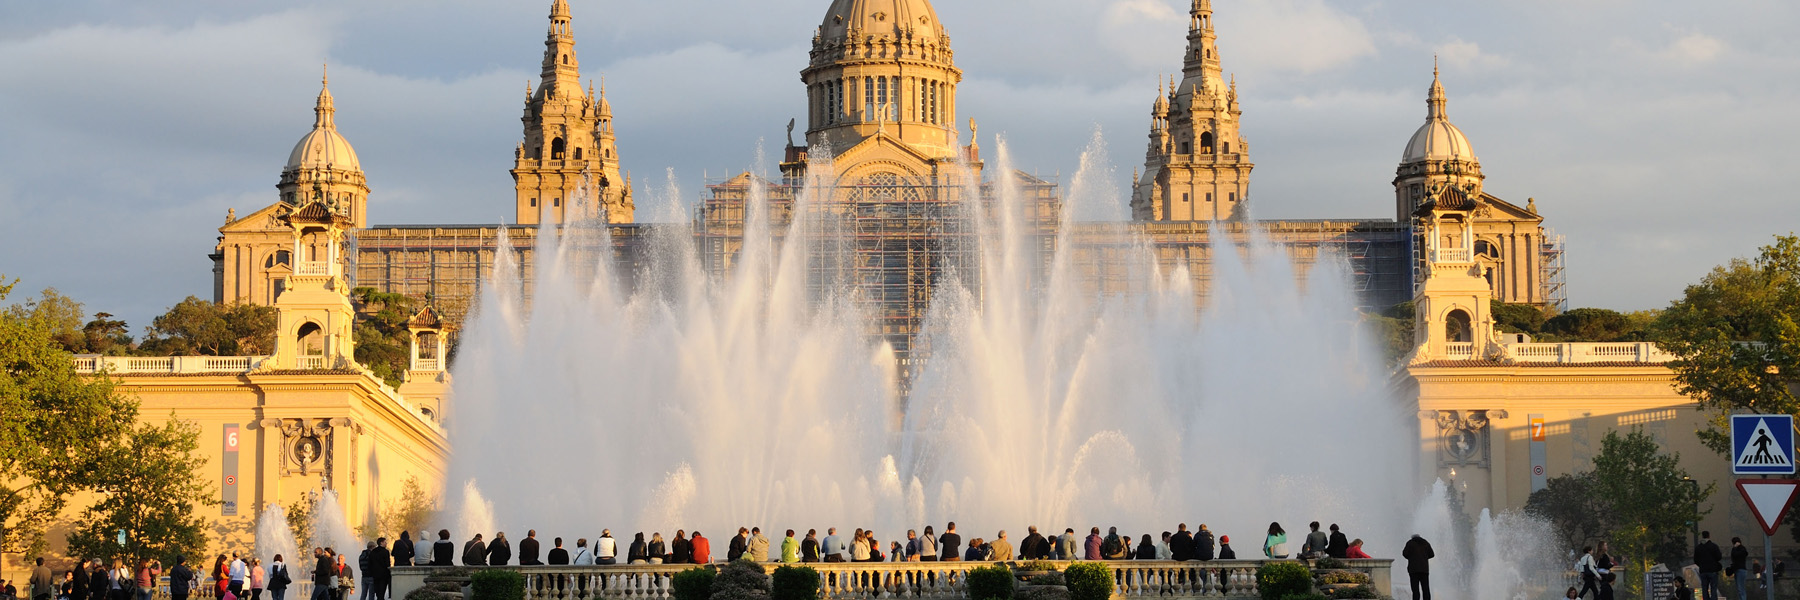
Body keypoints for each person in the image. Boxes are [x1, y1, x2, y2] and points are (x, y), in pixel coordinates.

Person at [1401, 534, 1433, 600]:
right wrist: (1424, 557)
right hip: (1424, 570)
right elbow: (1432, 554)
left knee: (1415, 590)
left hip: (1413, 570)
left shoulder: (1410, 543)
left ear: (1412, 537)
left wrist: (1411, 557)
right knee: (1426, 589)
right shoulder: (1425, 543)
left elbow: (1405, 553)